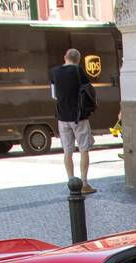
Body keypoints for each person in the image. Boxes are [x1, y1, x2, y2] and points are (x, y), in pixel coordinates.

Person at [50, 48, 96, 195]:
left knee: (67, 151)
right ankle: (84, 183)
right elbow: (87, 91)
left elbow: (54, 96)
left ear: (65, 57)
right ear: (78, 60)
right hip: (79, 117)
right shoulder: (79, 71)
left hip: (62, 117)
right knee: (84, 149)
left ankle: (71, 181)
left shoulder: (54, 72)